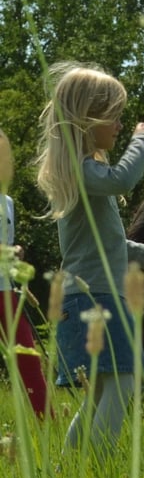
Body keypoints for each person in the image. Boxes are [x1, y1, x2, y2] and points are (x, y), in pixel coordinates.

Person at [36, 62, 144, 454]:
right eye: (114, 116)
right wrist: (143, 140)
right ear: (86, 117)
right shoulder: (83, 171)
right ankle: (100, 468)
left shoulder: (84, 175)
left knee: (99, 396)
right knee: (125, 382)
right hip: (98, 299)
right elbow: (123, 180)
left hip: (90, 297)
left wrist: (143, 253)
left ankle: (71, 473)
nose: (120, 125)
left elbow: (103, 244)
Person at [1, 128, 52, 419]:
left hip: (7, 291)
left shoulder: (7, 202)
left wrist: (14, 251)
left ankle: (50, 429)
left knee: (29, 360)